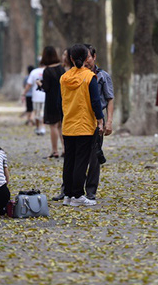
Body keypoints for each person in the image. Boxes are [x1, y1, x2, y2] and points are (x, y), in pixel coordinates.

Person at [60, 44, 104, 207]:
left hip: (68, 125)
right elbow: (95, 102)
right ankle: (77, 195)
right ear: (87, 58)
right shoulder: (89, 77)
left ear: (70, 59)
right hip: (84, 125)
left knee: (69, 161)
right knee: (81, 161)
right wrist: (100, 121)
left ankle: (68, 195)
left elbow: (61, 102)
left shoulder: (64, 78)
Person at [84, 44, 114, 202]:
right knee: (76, 156)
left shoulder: (103, 76)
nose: (86, 61)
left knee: (95, 156)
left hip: (97, 119)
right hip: (80, 119)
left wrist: (108, 121)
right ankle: (71, 189)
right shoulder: (76, 75)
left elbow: (109, 99)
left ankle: (91, 191)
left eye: (88, 57)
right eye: (83, 57)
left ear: (94, 57)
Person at [40, 46, 65, 158]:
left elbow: (46, 87)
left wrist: (39, 83)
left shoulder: (47, 71)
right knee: (61, 125)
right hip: (62, 99)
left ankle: (55, 151)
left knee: (53, 126)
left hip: (51, 101)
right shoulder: (61, 68)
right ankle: (65, 149)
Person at [22, 62, 46, 135]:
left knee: (37, 113)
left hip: (36, 96)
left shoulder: (34, 72)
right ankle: (43, 128)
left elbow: (29, 84)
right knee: (44, 113)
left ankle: (38, 128)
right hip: (46, 95)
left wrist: (24, 93)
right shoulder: (47, 71)